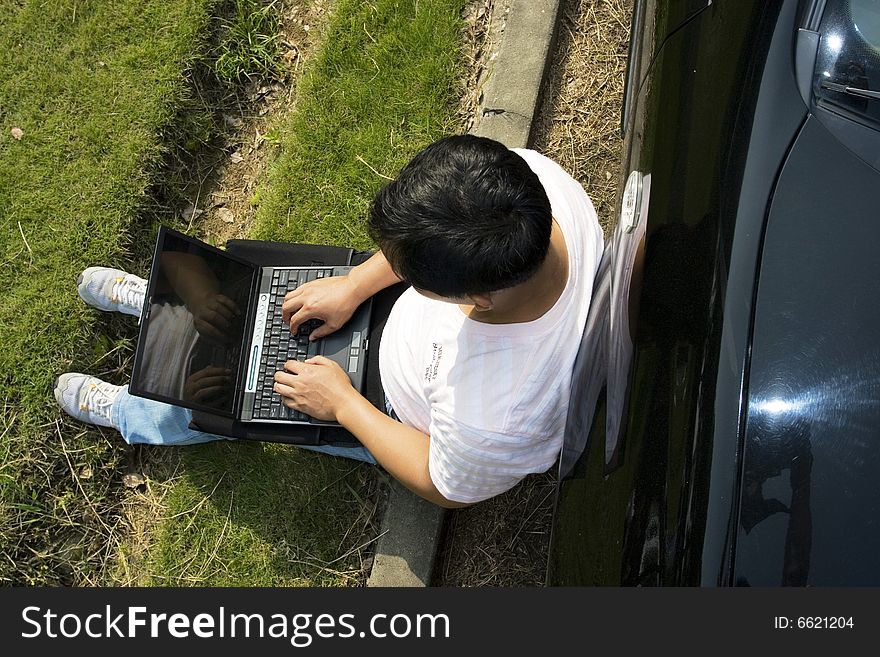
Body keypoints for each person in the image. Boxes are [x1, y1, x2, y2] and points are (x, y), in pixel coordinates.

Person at [55, 134, 604, 508]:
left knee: (225, 398)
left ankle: (138, 412)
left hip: (385, 406)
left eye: (417, 277)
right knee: (255, 297)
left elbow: (442, 482)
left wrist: (343, 404)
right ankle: (165, 304)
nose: (404, 272)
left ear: (476, 299)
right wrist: (355, 284)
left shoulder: (503, 415)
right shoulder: (531, 184)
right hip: (402, 331)